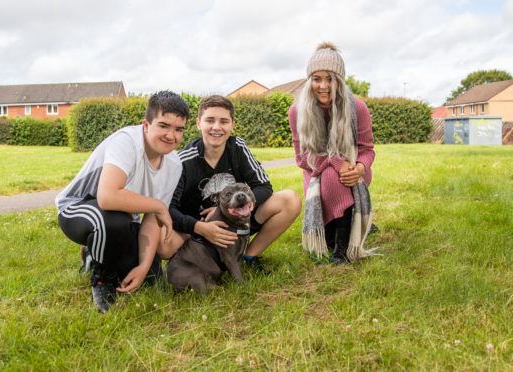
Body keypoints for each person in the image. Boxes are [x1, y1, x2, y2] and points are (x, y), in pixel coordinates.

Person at [55, 90, 190, 312]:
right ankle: (101, 278)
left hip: (125, 219)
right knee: (112, 220)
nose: (171, 135)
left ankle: (94, 253)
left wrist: (144, 267)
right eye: (163, 126)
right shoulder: (127, 141)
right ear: (146, 125)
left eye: (178, 129)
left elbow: (152, 220)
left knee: (150, 278)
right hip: (79, 209)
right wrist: (157, 206)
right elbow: (107, 197)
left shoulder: (174, 164)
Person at [160, 95, 301, 275]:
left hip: (237, 221)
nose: (216, 127)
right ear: (198, 123)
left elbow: (264, 187)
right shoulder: (183, 161)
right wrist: (199, 227)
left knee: (290, 199)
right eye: (210, 120)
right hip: (200, 231)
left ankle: (246, 257)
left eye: (224, 121)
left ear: (232, 125)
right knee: (162, 242)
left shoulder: (238, 148)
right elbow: (169, 208)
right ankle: (199, 261)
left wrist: (235, 206)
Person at [288, 42, 376, 265]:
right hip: (314, 170)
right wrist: (336, 160)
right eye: (317, 79)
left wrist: (360, 168)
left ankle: (343, 248)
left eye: (330, 78)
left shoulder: (357, 107)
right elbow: (301, 158)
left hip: (352, 172)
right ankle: (343, 230)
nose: (323, 86)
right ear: (310, 81)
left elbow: (367, 150)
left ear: (340, 80)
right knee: (329, 176)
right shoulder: (297, 110)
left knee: (334, 177)